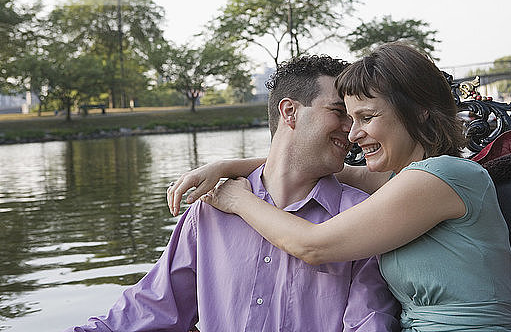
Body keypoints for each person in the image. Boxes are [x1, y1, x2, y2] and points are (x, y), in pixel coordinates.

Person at [169, 42, 511, 331]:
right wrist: (225, 166)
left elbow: (312, 245)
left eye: (366, 118)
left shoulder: (443, 178)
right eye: (350, 119)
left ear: (419, 112)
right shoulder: (401, 181)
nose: (354, 135)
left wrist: (238, 200)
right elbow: (301, 168)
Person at [65, 55, 400, 332]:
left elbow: (370, 322)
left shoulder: (361, 217)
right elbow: (149, 309)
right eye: (339, 112)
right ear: (290, 112)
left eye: (358, 117)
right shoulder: (208, 211)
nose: (354, 130)